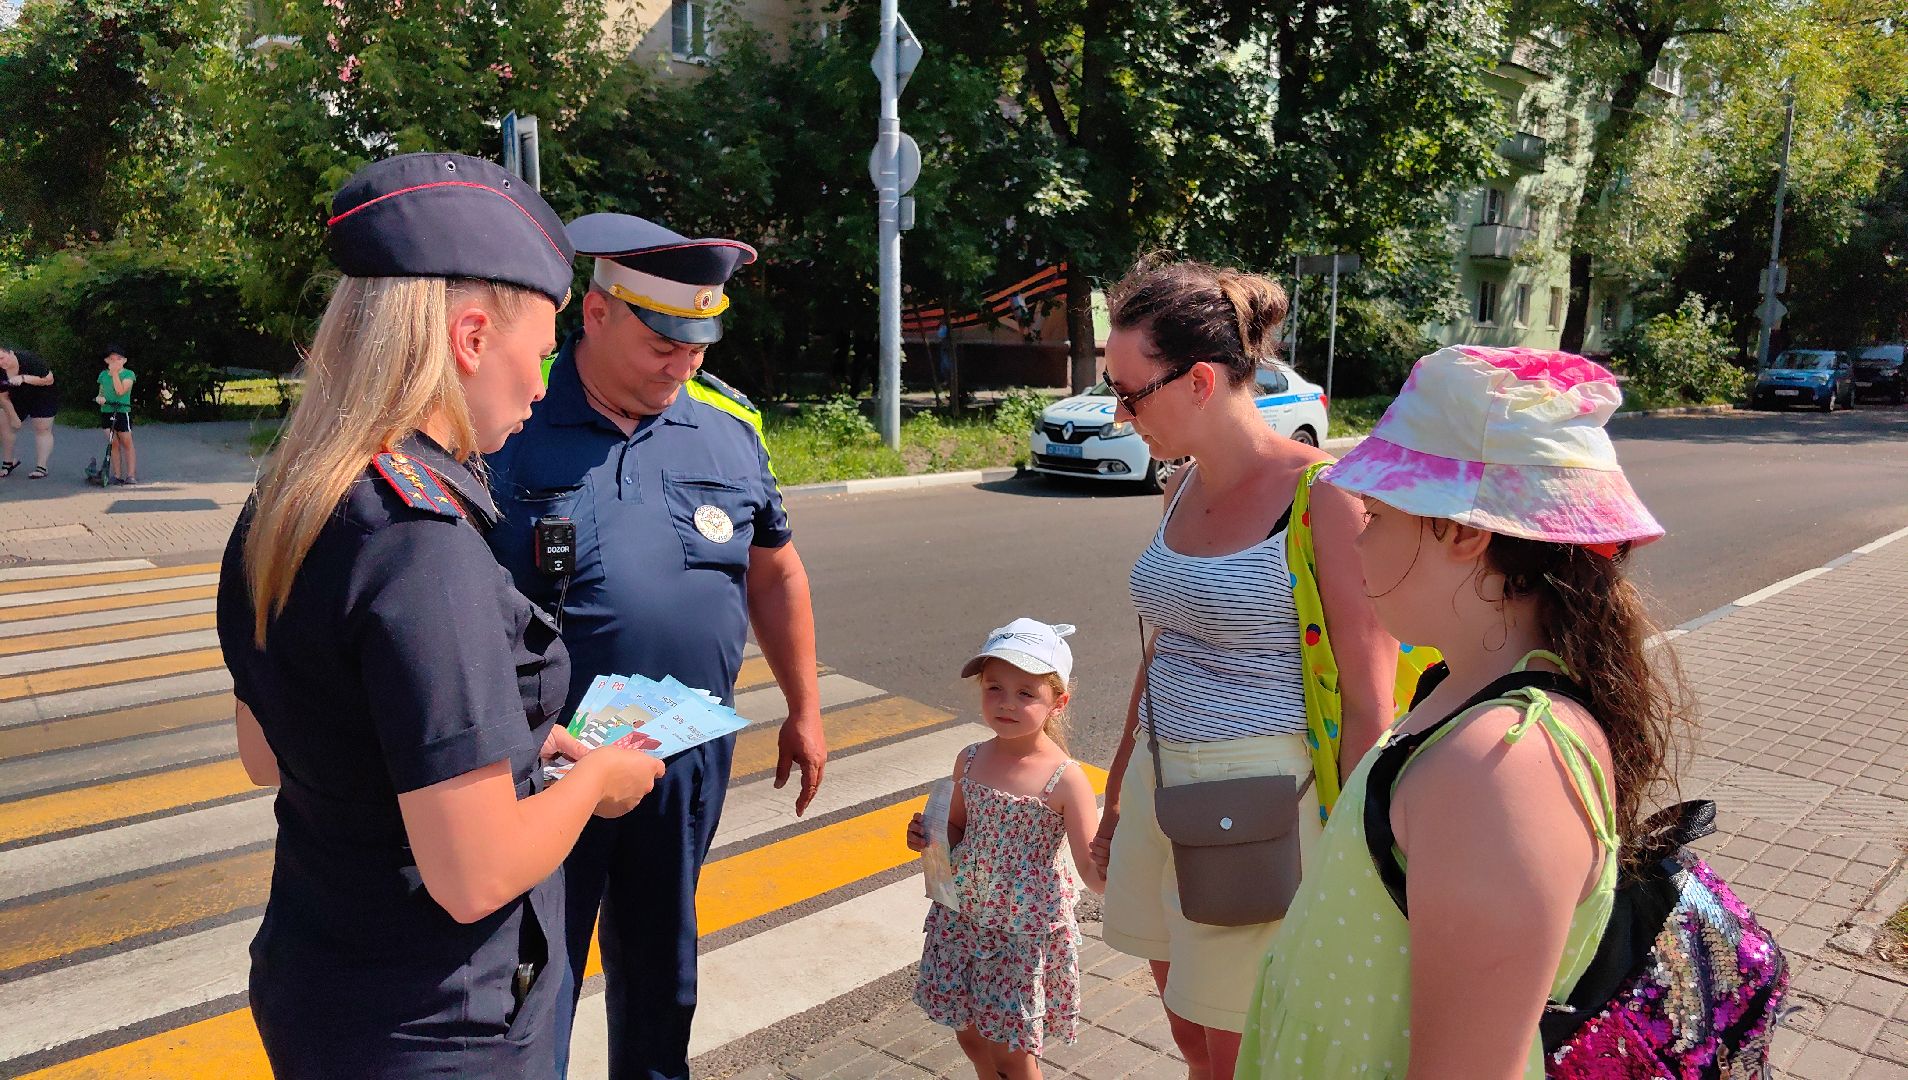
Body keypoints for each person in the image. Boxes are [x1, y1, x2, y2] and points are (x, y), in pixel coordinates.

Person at [213, 152, 667, 1079]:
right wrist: (597, 785)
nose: (543, 387)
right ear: (468, 337)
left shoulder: (295, 496)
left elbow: (276, 749)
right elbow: (471, 875)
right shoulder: (422, 543)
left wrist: (516, 750)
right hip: (436, 1023)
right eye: (537, 355)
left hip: (322, 972)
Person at [1235, 346, 1683, 1078]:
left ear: (1465, 532)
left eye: (1376, 515)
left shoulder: (1503, 763)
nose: (1358, 536)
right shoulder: (1459, 691)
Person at [487, 212, 828, 1080]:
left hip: (680, 759)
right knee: (533, 974)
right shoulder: (507, 422)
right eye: (662, 345)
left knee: (662, 968)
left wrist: (805, 708)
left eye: (698, 347)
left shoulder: (727, 424)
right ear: (595, 315)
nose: (683, 366)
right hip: (545, 768)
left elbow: (776, 574)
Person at [1085, 257, 1397, 1080]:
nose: (1120, 414)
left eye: (1130, 392)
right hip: (1165, 786)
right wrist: (1118, 791)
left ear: (1197, 382)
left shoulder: (1325, 498)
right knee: (1189, 1035)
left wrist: (1356, 863)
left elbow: (1371, 702)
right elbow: (1164, 649)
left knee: (1238, 1051)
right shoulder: (1176, 486)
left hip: (1258, 809)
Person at [904, 618, 1106, 1079]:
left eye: (1025, 693)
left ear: (1058, 703)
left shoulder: (1065, 778)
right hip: (963, 918)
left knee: (1012, 1050)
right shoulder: (971, 757)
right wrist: (928, 838)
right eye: (994, 688)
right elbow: (955, 825)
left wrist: (1124, 868)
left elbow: (1091, 869)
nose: (1006, 704)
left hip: (1019, 934)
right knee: (970, 1034)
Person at [0, 345, 57, 479]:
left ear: (11, 353)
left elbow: (49, 379)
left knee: (42, 428)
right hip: (17, 397)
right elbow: (3, 396)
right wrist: (14, 417)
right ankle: (8, 462)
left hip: (43, 394)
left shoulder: (29, 359)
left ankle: (41, 466)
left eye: (2, 358)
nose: (1, 363)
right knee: (4, 422)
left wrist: (24, 378)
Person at [94, 344, 137, 484]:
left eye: (118, 359)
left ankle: (130, 475)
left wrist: (115, 375)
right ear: (107, 361)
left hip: (122, 412)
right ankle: (117, 474)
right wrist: (100, 398)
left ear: (124, 360)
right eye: (111, 359)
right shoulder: (102, 375)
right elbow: (101, 391)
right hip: (107, 411)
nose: (115, 362)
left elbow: (120, 391)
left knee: (127, 442)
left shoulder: (128, 374)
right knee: (113, 443)